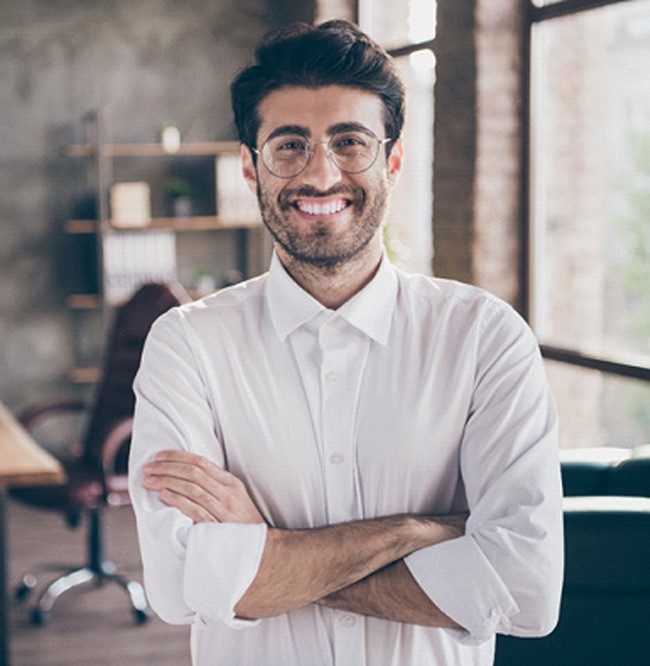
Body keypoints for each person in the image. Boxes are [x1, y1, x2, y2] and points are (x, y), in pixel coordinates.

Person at [129, 19, 563, 666]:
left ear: (391, 161)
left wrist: (267, 551)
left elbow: (525, 589)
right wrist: (420, 532)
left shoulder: (485, 339)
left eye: (350, 142)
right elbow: (179, 583)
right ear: (251, 169)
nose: (322, 174)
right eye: (289, 146)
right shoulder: (186, 345)